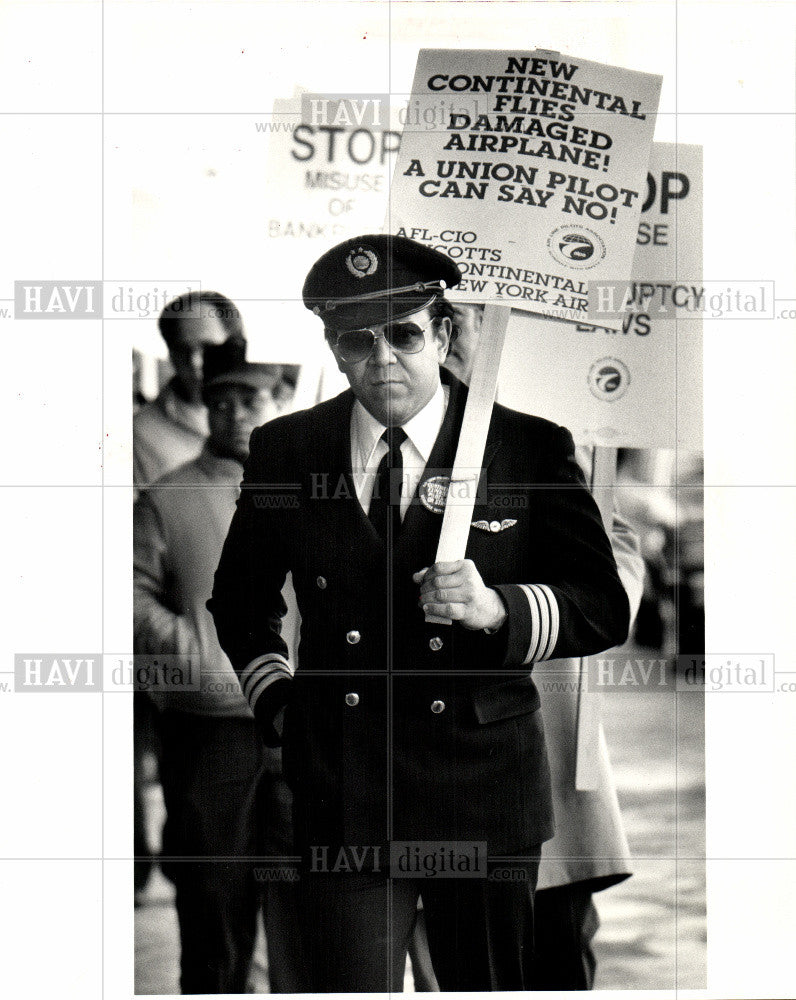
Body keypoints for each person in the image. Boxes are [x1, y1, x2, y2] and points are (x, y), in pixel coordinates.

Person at [209, 234, 630, 992]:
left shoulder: (525, 448)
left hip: (483, 790)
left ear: (442, 332)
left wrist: (499, 607)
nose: (382, 358)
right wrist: (278, 702)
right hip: (346, 787)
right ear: (333, 349)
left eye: (404, 334)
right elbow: (239, 600)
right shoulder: (286, 449)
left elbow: (603, 605)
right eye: (355, 339)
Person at [446, 301, 646, 989]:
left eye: (462, 317)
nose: (447, 336)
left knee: (552, 954)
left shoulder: (546, 432)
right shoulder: (373, 430)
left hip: (540, 735)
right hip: (415, 761)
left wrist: (528, 606)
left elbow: (614, 555)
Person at [134, 341, 289, 993]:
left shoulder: (315, 491)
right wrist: (195, 654)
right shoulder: (166, 498)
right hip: (210, 733)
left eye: (249, 398)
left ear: (279, 399)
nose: (234, 414)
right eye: (219, 402)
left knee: (308, 915)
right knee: (215, 919)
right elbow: (127, 591)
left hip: (299, 729)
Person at [133, 290, 251, 488]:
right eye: (183, 350)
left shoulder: (273, 413)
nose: (195, 362)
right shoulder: (139, 435)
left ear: (237, 345)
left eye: (207, 347)